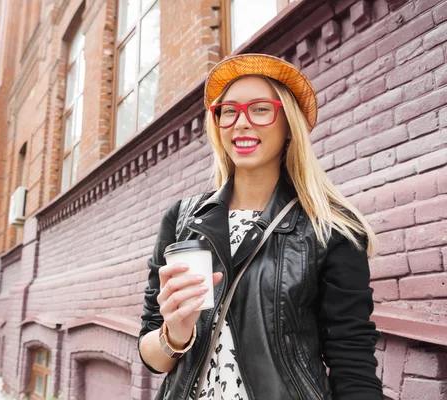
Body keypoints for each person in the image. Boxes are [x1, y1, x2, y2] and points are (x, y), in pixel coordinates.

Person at [138, 54, 382, 400]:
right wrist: (174, 333)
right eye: (229, 111)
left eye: (260, 109)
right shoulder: (183, 219)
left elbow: (352, 361)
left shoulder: (331, 228)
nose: (241, 123)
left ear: (288, 125)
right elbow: (153, 359)